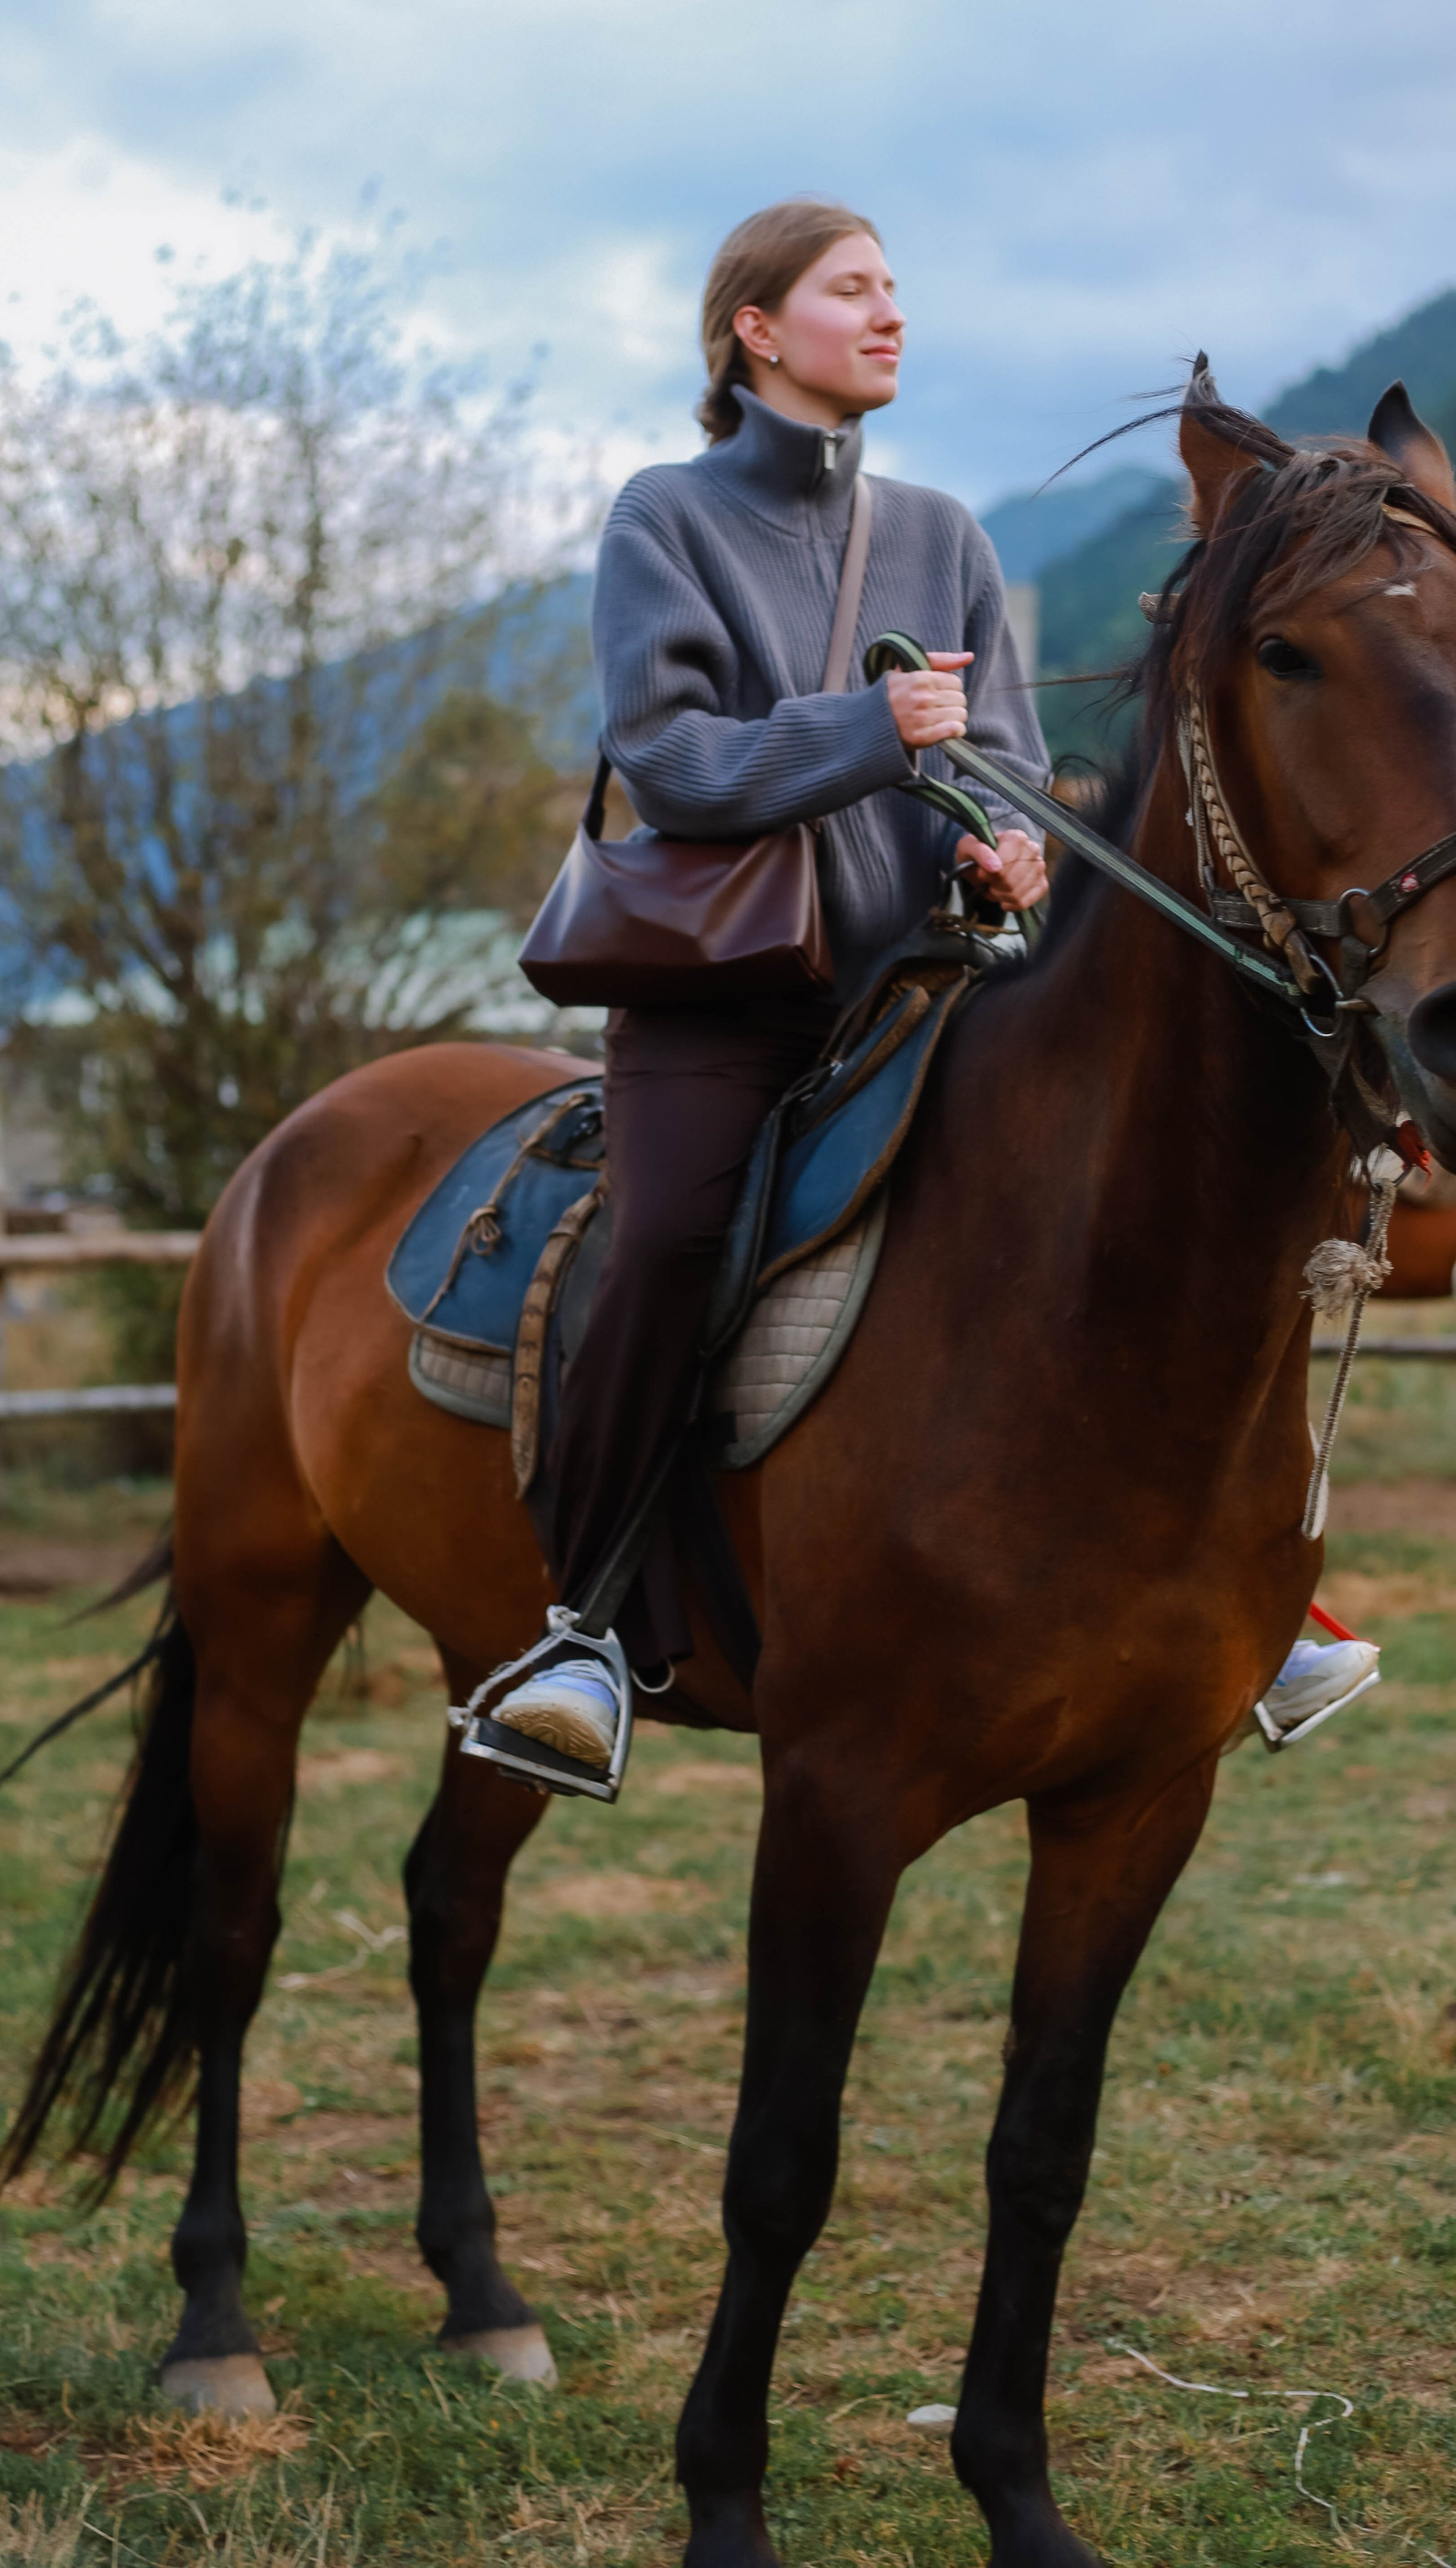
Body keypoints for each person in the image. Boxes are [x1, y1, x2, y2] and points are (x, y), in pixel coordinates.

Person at [489, 197, 1051, 1779]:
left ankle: (1234, 1587)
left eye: (894, 292)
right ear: (754, 328)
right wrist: (877, 733)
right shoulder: (662, 516)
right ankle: (582, 1630)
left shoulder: (944, 533)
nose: (889, 315)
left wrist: (1011, 853)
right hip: (717, 1005)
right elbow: (668, 762)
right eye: (851, 290)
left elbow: (1004, 762)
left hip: (921, 992)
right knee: (665, 1240)